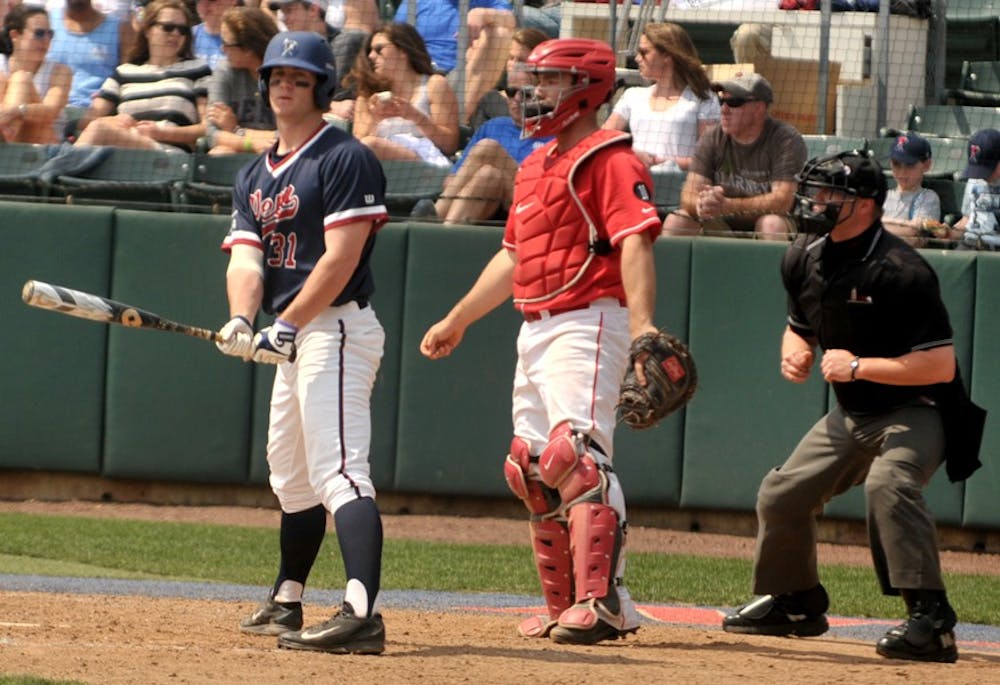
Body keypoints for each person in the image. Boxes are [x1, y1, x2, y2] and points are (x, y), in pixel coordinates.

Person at [420, 38, 660, 645]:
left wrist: (643, 329)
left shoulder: (610, 157)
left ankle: (606, 602)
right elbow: (512, 259)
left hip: (590, 317)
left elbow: (635, 240)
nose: (533, 93)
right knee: (530, 468)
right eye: (534, 80)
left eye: (550, 81)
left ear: (585, 87)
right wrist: (458, 318)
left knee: (577, 459)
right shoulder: (533, 163)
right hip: (535, 325)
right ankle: (563, 604)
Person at [722, 151, 983, 664]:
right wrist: (793, 353)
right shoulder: (803, 254)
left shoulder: (902, 270)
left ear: (864, 206)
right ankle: (796, 600)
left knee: (890, 485)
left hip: (919, 407)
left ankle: (931, 621)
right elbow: (799, 329)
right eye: (814, 191)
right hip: (854, 413)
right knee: (782, 494)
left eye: (828, 195)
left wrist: (859, 366)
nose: (815, 201)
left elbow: (940, 367)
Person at [216, 30, 390, 655]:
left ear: (321, 86)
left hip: (336, 325)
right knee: (290, 478)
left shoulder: (345, 157)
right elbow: (246, 259)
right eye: (276, 76)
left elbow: (340, 260)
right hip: (292, 331)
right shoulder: (254, 172)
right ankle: (288, 600)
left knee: (338, 470)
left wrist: (285, 323)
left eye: (300, 76)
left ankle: (362, 612)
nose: (285, 84)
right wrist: (242, 318)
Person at [661, 72, 806, 240]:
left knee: (772, 224)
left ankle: (771, 267)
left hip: (769, 224)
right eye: (722, 101)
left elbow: (782, 201)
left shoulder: (785, 139)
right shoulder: (712, 137)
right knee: (677, 221)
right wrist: (701, 204)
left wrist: (728, 206)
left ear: (759, 109)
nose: (724, 110)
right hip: (722, 224)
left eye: (734, 103)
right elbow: (688, 194)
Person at [73, 0, 211, 151]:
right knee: (98, 127)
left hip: (168, 158)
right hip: (120, 153)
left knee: (98, 129)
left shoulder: (198, 69)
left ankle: (53, 169)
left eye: (183, 29)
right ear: (147, 31)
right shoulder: (124, 72)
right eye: (168, 27)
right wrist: (112, 120)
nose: (176, 34)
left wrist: (163, 133)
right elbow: (88, 120)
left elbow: (208, 128)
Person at [421, 64, 551, 224]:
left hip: (532, 203)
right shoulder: (494, 126)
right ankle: (445, 231)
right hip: (490, 204)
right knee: (488, 175)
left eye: (525, 94)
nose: (516, 99)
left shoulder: (556, 131)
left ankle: (434, 215)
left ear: (539, 93)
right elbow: (450, 181)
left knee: (489, 147)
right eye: (511, 92)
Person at [602, 22, 719, 172]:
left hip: (679, 188)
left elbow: (710, 158)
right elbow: (603, 139)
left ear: (667, 56)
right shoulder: (632, 96)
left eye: (644, 52)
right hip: (634, 185)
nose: (637, 58)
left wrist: (667, 163)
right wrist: (632, 154)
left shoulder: (704, 98)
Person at [349, 22, 459, 166]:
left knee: (370, 145)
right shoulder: (367, 95)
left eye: (379, 49)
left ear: (403, 51)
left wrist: (415, 116)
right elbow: (357, 146)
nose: (371, 56)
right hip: (379, 170)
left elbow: (449, 145)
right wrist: (375, 118)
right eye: (370, 50)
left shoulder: (434, 85)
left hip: (426, 167)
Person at [204, 6, 278, 155]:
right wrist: (252, 143)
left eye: (227, 44)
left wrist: (236, 130)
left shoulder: (284, 74)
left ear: (249, 48)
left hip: (281, 153)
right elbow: (211, 134)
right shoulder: (224, 71)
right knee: (220, 153)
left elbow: (290, 135)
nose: (222, 49)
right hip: (240, 150)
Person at [47, 0, 135, 118]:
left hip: (96, 114)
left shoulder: (121, 29)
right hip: (50, 112)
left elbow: (129, 79)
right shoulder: (46, 23)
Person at [0, 4, 72, 144]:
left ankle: (5, 134)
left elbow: (50, 113)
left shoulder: (60, 71)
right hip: (12, 142)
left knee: (21, 79)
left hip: (45, 146)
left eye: (50, 34)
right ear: (15, 35)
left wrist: (17, 110)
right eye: (39, 33)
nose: (46, 40)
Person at [880, 132, 944, 245]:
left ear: (926, 165)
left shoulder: (928, 197)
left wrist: (879, 225)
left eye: (909, 165)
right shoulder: (884, 196)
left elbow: (912, 232)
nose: (902, 172)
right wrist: (906, 224)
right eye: (896, 164)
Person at [953, 128, 1000, 251]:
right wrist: (949, 232)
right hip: (970, 243)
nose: (980, 175)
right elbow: (967, 219)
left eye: (986, 169)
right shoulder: (974, 180)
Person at [192, 0, 239, 69]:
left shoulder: (244, 37)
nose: (204, 5)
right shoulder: (187, 35)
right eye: (198, 1)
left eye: (212, 0)